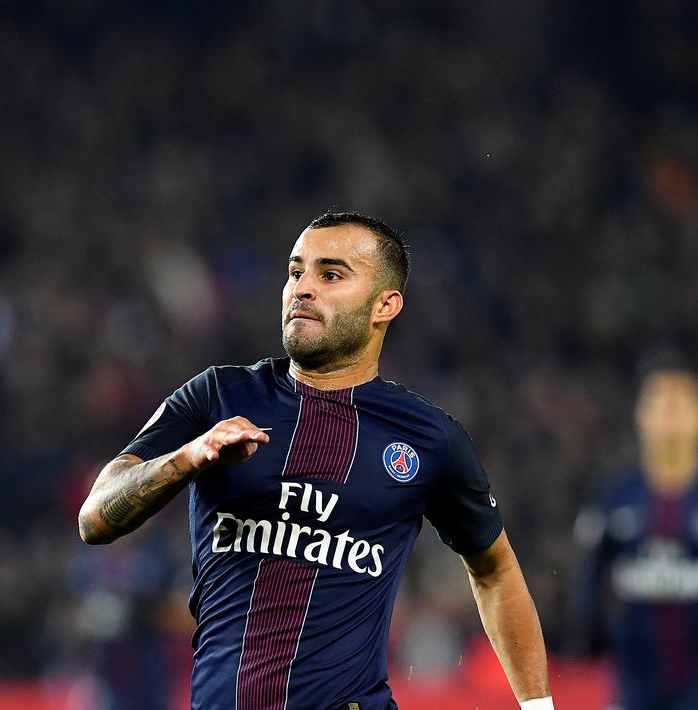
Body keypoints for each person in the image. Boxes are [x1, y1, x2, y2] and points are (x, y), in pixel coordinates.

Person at [78, 212, 552, 710]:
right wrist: (187, 458)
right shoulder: (218, 395)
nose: (302, 288)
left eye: (331, 275)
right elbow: (95, 519)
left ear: (385, 305)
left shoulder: (429, 437)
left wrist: (539, 708)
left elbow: (494, 571)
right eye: (295, 271)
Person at [574, 357, 698, 710]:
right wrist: (585, 635)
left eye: (681, 404)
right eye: (660, 403)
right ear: (641, 415)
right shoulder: (615, 496)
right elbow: (590, 579)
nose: (670, 413)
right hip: (634, 681)